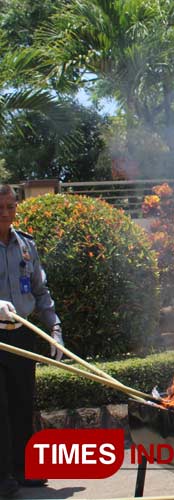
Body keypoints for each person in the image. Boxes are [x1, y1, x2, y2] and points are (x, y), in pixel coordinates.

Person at [0, 184, 62, 496]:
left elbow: (40, 291)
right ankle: (2, 477)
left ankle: (24, 470)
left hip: (22, 334)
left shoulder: (26, 245)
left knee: (23, 404)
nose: (6, 213)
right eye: (0, 207)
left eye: (10, 206)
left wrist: (54, 328)